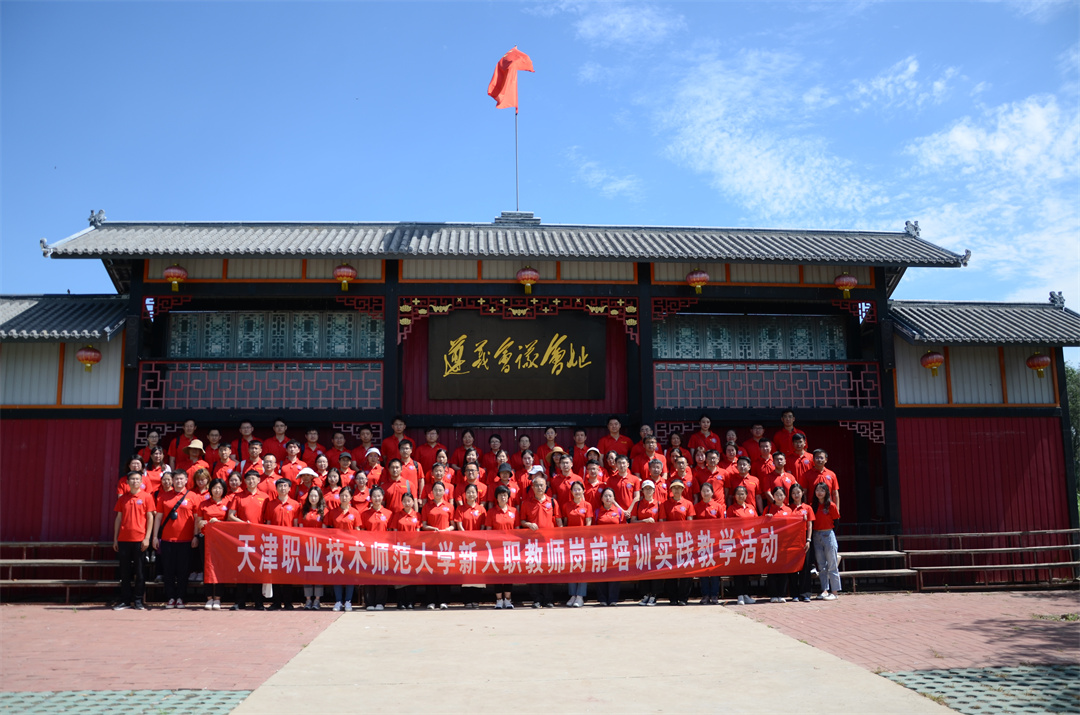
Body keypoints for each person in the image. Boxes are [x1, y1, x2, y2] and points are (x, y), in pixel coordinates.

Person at [154, 469, 199, 609]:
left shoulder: (193, 496)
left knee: (183, 571)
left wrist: (195, 536)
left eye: (181, 479)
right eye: (176, 479)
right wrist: (155, 537)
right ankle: (171, 598)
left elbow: (197, 519)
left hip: (186, 540)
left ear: (186, 480)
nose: (179, 481)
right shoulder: (164, 496)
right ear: (172, 481)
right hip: (167, 539)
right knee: (168, 570)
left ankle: (180, 598)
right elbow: (158, 518)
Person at [226, 470, 271, 610]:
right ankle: (240, 601)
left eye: (254, 479)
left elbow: (268, 519)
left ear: (258, 480)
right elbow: (230, 516)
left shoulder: (265, 497)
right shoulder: (238, 496)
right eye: (248, 479)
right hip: (242, 537)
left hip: (259, 538)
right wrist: (244, 524)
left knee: (257, 570)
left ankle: (258, 602)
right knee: (242, 568)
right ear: (244, 481)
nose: (251, 481)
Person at [113, 471, 154, 610]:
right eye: (132, 479)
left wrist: (147, 538)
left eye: (137, 479)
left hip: (140, 539)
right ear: (127, 482)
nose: (135, 481)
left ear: (141, 482)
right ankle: (125, 600)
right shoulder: (123, 498)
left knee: (140, 571)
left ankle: (138, 600)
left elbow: (150, 518)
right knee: (124, 572)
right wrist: (115, 539)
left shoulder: (147, 497)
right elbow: (118, 518)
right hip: (124, 539)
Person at [519, 475, 560, 608]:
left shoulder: (552, 502)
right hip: (532, 544)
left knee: (547, 571)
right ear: (532, 487)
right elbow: (522, 521)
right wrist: (529, 524)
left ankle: (548, 599)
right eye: (536, 485)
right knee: (534, 571)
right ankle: (536, 599)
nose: (539, 487)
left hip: (548, 542)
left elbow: (558, 520)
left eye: (541, 485)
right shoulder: (526, 503)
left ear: (546, 487)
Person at [195, 477, 231, 610]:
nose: (217, 490)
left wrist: (219, 523)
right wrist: (201, 524)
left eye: (220, 488)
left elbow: (231, 523)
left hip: (222, 540)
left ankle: (218, 598)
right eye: (215, 488)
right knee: (207, 568)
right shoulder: (203, 504)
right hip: (206, 539)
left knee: (220, 568)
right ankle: (209, 597)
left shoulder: (228, 503)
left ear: (224, 490)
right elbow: (198, 522)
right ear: (210, 490)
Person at [421, 481, 455, 609]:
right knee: (430, 571)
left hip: (445, 544)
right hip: (430, 543)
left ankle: (444, 601)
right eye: (435, 490)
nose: (438, 492)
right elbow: (423, 525)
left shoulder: (449, 506)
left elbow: (453, 525)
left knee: (444, 571)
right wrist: (432, 529)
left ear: (444, 492)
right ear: (432, 492)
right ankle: (431, 601)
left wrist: (446, 530)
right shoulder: (427, 507)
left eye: (440, 490)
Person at [660, 479, 694, 606]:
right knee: (671, 568)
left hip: (684, 541)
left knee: (686, 569)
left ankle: (683, 598)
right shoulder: (665, 504)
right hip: (670, 541)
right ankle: (672, 598)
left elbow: (690, 522)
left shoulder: (688, 503)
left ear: (683, 489)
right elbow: (662, 522)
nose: (677, 490)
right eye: (674, 488)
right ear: (671, 490)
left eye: (679, 487)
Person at [484, 484, 519, 609]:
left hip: (510, 547)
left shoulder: (514, 511)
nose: (503, 497)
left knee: (509, 573)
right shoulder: (491, 512)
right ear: (496, 498)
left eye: (505, 495)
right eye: (500, 495)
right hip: (496, 548)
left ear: (508, 497)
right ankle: (499, 600)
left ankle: (508, 599)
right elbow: (488, 531)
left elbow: (517, 529)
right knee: (497, 573)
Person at [454, 483, 487, 609]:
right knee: (465, 571)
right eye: (468, 492)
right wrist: (467, 537)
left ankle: (476, 599)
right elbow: (459, 525)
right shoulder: (460, 509)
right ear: (465, 495)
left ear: (477, 495)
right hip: (464, 545)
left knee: (478, 572)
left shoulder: (481, 509)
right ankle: (467, 600)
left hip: (478, 545)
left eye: (473, 492)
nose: (471, 494)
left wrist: (477, 538)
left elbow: (483, 526)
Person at [328, 486, 361, 611]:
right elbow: (328, 529)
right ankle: (338, 601)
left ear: (351, 497)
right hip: (336, 547)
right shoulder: (333, 512)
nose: (344, 498)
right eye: (342, 495)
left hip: (350, 548)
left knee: (349, 575)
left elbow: (357, 530)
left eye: (347, 495)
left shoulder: (355, 512)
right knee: (337, 574)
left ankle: (348, 601)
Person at [561, 481, 593, 608]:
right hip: (570, 542)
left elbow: (588, 523)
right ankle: (573, 595)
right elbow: (565, 523)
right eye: (574, 489)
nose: (577, 491)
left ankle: (580, 596)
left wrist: (585, 538)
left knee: (582, 568)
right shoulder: (566, 505)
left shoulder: (587, 505)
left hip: (583, 542)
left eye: (579, 489)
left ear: (583, 491)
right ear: (571, 492)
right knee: (572, 568)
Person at [593, 488, 626, 606]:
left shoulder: (619, 512)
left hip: (615, 546)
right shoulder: (597, 512)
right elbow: (592, 529)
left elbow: (624, 528)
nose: (608, 498)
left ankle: (613, 599)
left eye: (610, 496)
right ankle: (602, 599)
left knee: (614, 572)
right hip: (601, 547)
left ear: (614, 498)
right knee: (601, 571)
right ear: (601, 498)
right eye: (605, 496)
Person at [360, 487, 391, 611]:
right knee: (369, 575)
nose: (377, 498)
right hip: (369, 549)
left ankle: (380, 602)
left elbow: (391, 532)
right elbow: (362, 532)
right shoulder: (365, 514)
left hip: (383, 549)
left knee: (381, 575)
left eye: (379, 496)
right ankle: (369, 602)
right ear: (370, 498)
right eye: (374, 496)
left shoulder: (388, 513)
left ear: (382, 497)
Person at [726, 485, 758, 605]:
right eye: (738, 494)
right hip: (737, 543)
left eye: (743, 493)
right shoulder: (732, 509)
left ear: (746, 495)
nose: (740, 496)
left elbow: (757, 523)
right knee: (738, 569)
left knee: (746, 569)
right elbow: (729, 526)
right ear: (734, 496)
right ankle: (739, 595)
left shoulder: (751, 508)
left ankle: (746, 594)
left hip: (749, 542)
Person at [631, 479, 660, 607]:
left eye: (650, 489)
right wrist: (644, 521)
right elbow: (633, 521)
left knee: (654, 567)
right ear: (642, 491)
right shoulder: (637, 504)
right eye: (646, 488)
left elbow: (663, 522)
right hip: (641, 540)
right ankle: (645, 594)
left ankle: (654, 594)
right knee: (644, 566)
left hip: (655, 540)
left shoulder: (658, 504)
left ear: (654, 490)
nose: (648, 491)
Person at [295, 486, 326, 609]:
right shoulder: (304, 510)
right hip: (306, 546)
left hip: (319, 547)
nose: (313, 498)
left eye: (316, 496)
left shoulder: (324, 511)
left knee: (318, 574)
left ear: (320, 497)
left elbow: (325, 530)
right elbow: (300, 527)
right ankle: (308, 600)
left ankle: (317, 600)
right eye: (311, 496)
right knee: (307, 573)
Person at [390, 491, 421, 610]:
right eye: (404, 501)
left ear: (413, 502)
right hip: (400, 549)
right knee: (399, 576)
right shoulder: (397, 515)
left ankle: (410, 601)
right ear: (401, 502)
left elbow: (418, 532)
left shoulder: (417, 515)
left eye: (409, 501)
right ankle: (401, 601)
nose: (407, 503)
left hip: (412, 549)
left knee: (411, 575)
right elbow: (394, 532)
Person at [694, 482, 724, 605]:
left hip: (715, 542)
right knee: (704, 569)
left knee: (715, 569)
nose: (705, 493)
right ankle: (705, 595)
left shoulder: (718, 506)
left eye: (708, 491)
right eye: (703, 491)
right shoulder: (696, 507)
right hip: (701, 542)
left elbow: (722, 524)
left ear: (712, 493)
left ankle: (715, 595)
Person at [787, 483, 816, 603]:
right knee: (793, 568)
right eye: (793, 493)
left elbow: (810, 525)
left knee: (805, 567)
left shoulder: (807, 508)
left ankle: (805, 594)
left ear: (802, 493)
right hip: (791, 541)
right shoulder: (788, 508)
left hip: (803, 539)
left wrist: (808, 540)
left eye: (798, 492)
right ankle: (794, 594)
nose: (796, 495)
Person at [813, 483, 841, 601]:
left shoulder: (831, 505)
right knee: (821, 565)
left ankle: (834, 592)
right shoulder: (813, 506)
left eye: (822, 490)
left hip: (828, 534)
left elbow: (836, 521)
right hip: (816, 535)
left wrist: (829, 532)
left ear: (826, 492)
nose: (819, 493)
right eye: (817, 490)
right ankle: (824, 589)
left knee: (832, 564)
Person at [764, 485, 792, 603]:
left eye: (781, 495)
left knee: (783, 569)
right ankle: (773, 595)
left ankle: (782, 594)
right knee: (772, 570)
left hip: (784, 543)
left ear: (785, 496)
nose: (779, 497)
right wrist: (766, 518)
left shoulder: (788, 510)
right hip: (772, 542)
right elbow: (761, 525)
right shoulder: (768, 508)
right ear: (773, 496)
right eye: (776, 495)